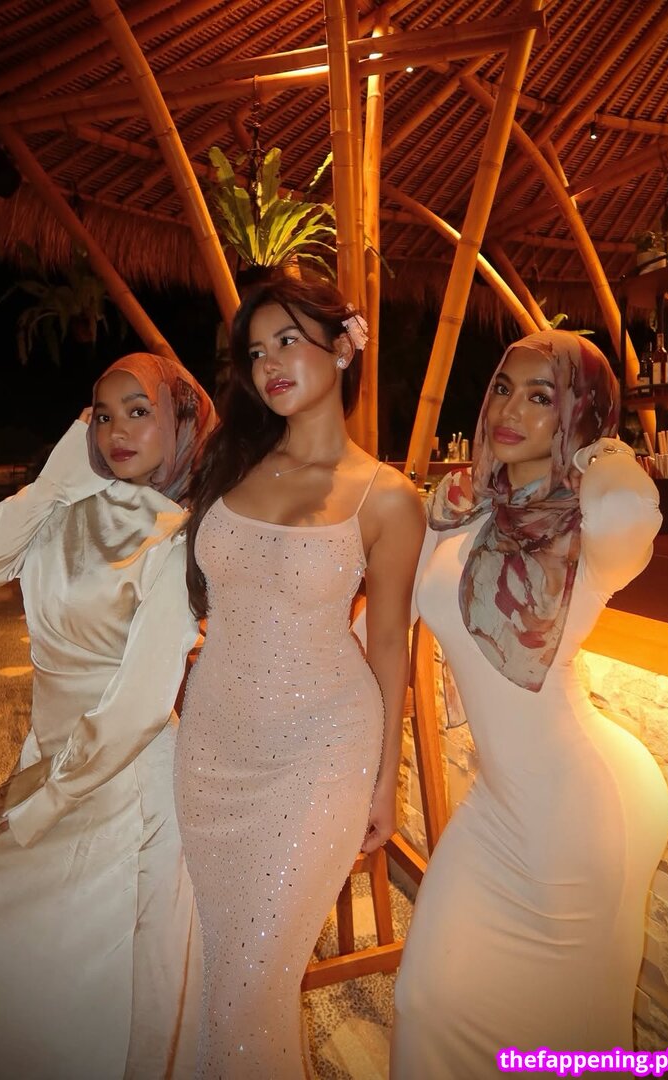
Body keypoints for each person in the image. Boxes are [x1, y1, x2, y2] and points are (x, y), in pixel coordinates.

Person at [390, 331, 668, 1077]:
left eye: (542, 396)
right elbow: (383, 625)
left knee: (571, 1035)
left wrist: (596, 450)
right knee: (426, 1001)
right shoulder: (460, 507)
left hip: (583, 814)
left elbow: (631, 508)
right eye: (503, 389)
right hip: (501, 804)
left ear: (579, 413)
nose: (510, 409)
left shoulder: (587, 526)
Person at [174, 277, 425, 1077]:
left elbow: (387, 647)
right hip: (210, 747)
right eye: (257, 352)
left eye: (289, 340)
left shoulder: (387, 497)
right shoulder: (230, 461)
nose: (270, 364)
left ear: (344, 347)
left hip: (320, 749)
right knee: (222, 974)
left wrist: (383, 782)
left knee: (252, 983)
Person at [0, 352, 216, 1080]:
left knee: (95, 993)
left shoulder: (179, 538)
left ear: (180, 423)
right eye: (101, 415)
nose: (116, 430)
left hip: (122, 779)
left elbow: (141, 703)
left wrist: (46, 794)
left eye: (139, 411)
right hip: (46, 754)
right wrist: (59, 477)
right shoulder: (66, 509)